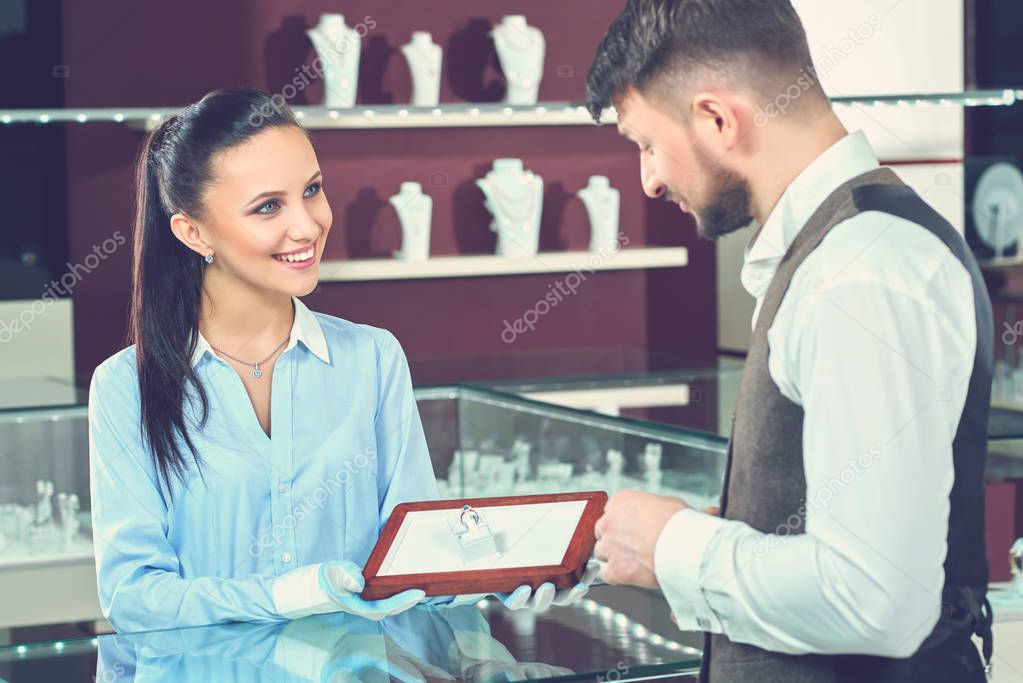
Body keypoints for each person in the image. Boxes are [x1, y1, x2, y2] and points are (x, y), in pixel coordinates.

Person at [584, 1, 993, 681]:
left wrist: (674, 546)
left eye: (646, 145)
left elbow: (875, 598)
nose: (648, 179)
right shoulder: (836, 256)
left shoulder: (855, 273)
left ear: (717, 119)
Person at [89, 88, 592, 633]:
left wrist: (496, 571)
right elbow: (133, 596)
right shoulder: (124, 387)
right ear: (193, 232)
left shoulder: (373, 359)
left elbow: (411, 560)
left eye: (312, 190)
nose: (306, 226)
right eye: (267, 207)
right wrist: (294, 594)